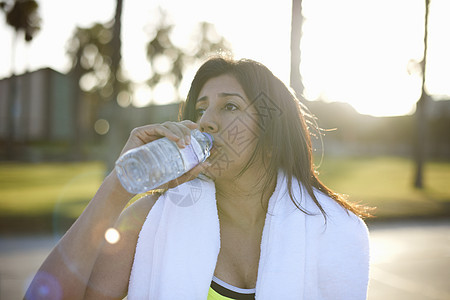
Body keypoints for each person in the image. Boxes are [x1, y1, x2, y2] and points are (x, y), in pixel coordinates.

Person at [25, 56, 372, 300]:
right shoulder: (151, 218)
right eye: (201, 108)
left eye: (230, 106)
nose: (206, 121)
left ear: (272, 135)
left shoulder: (337, 231)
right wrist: (120, 183)